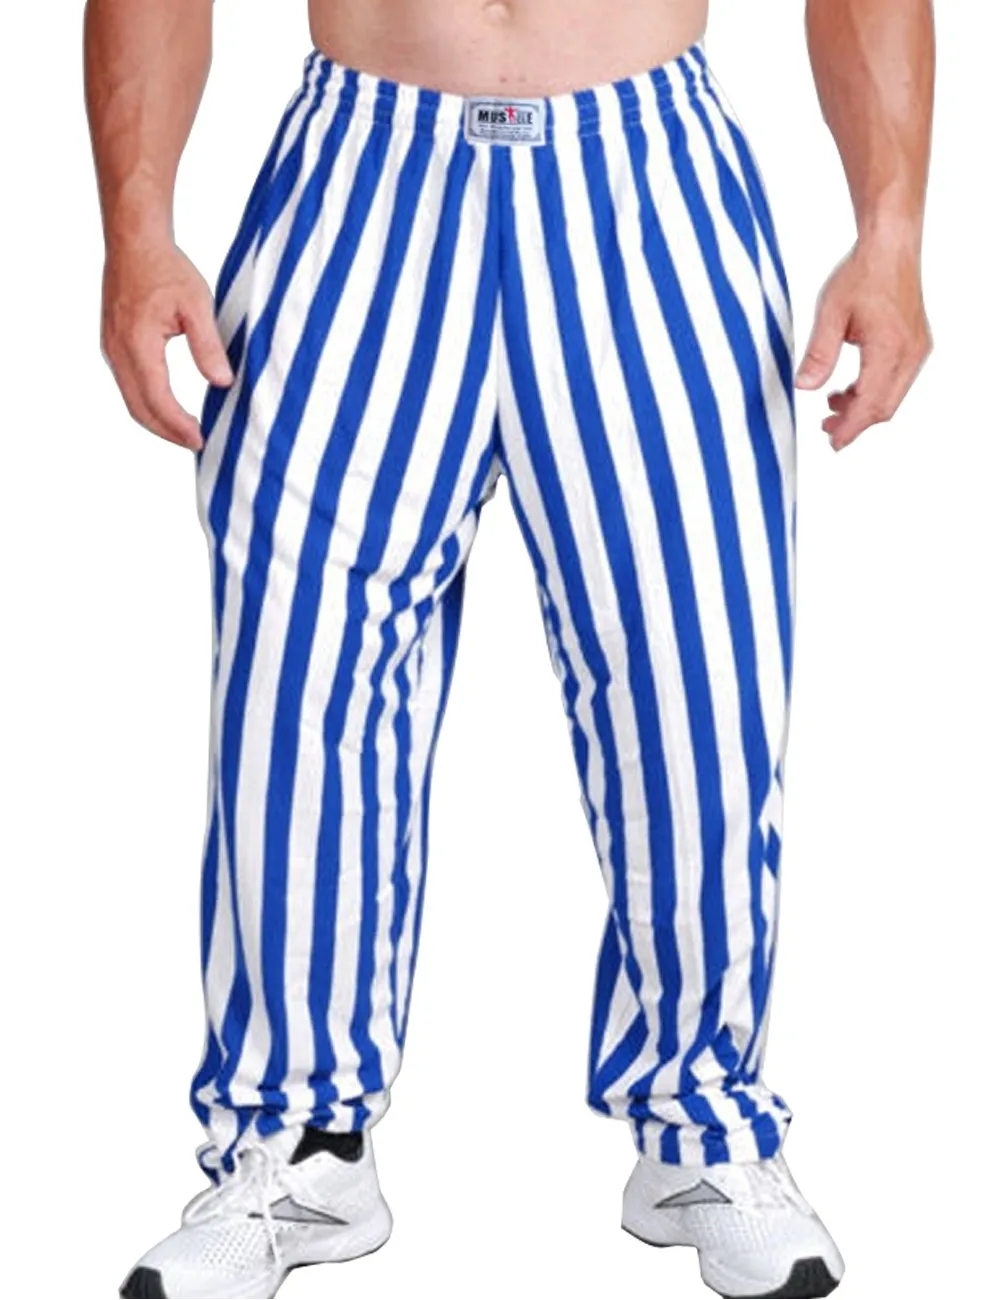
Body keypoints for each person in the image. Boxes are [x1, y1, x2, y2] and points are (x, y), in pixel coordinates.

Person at [84, 1, 934, 1296]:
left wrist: (892, 230)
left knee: (696, 684)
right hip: (360, 179)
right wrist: (136, 230)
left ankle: (704, 1130)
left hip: (645, 179)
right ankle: (294, 1147)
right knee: (294, 685)